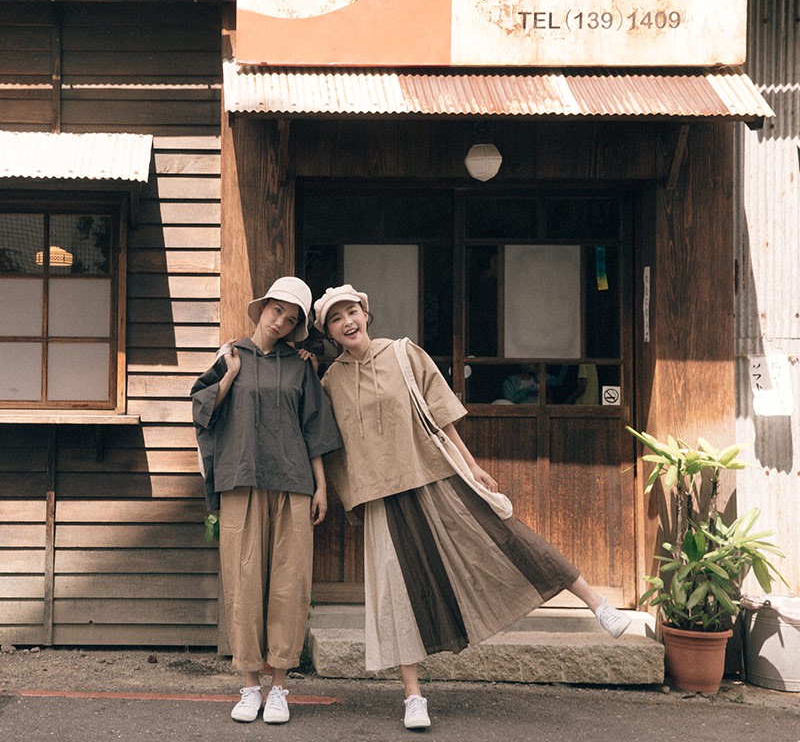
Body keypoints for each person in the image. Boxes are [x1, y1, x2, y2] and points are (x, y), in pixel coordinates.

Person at [312, 284, 630, 731]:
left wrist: (472, 465)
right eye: (335, 318)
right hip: (382, 494)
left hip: (436, 473)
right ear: (328, 333)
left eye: (351, 312)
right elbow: (325, 440)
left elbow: (442, 416)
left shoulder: (404, 353)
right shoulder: (331, 382)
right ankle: (413, 696)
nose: (347, 322)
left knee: (506, 536)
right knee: (396, 594)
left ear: (366, 314)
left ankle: (598, 606)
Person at [191, 277, 342, 725]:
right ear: (263, 308)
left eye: (292, 319)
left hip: (293, 483)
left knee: (289, 585)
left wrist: (321, 487)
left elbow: (314, 429)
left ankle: (279, 687)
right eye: (278, 311)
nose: (281, 322)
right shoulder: (230, 355)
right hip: (240, 480)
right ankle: (250, 685)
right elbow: (202, 409)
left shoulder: (300, 366)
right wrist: (229, 375)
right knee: (243, 582)